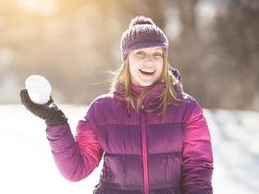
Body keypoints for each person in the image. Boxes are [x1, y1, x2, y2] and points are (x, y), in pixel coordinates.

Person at [20, 16, 214, 194]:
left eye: (157, 54)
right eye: (141, 53)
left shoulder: (186, 109)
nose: (150, 61)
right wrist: (56, 123)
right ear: (126, 60)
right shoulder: (102, 110)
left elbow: (198, 171)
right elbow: (76, 170)